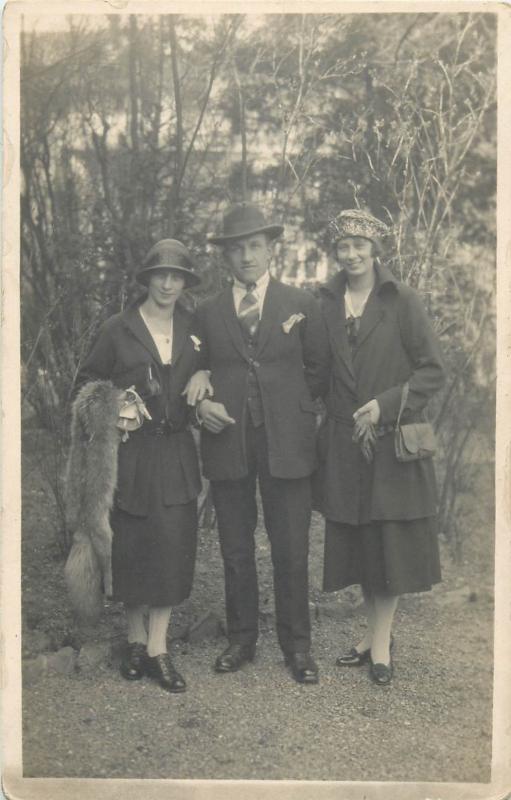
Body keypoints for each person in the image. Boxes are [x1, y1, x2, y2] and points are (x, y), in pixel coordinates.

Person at [186, 202, 329, 684]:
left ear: (270, 249)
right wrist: (200, 407)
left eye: (254, 246)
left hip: (288, 444)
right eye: (236, 248)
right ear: (225, 256)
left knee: (291, 547)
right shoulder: (206, 313)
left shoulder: (301, 305)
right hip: (229, 443)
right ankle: (241, 639)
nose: (246, 256)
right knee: (235, 548)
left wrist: (290, 408)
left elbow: (319, 369)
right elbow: (189, 374)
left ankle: (298, 646)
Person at [317, 209, 445, 685]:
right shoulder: (325, 303)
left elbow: (432, 371)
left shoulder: (401, 299)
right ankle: (371, 638)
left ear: (375, 250)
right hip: (346, 449)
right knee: (364, 548)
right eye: (343, 246)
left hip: (390, 445)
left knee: (387, 548)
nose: (351, 254)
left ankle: (382, 647)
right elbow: (318, 369)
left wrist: (384, 405)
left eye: (359, 245)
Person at [76, 239, 202, 693]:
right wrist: (116, 405)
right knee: (131, 543)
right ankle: (133, 640)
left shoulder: (194, 326)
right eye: (160, 274)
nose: (168, 283)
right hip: (130, 454)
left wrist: (204, 373)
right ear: (146, 278)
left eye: (177, 276)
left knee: (171, 543)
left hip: (176, 453)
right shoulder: (118, 329)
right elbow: (88, 384)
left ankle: (158, 647)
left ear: (185, 282)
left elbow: (215, 367)